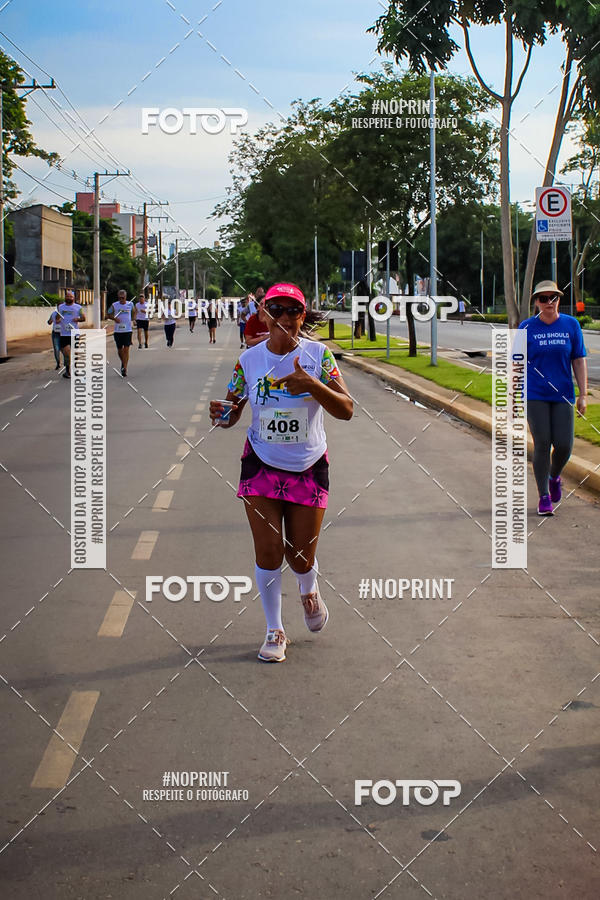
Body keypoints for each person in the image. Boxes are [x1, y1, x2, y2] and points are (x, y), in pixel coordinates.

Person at [209, 282, 353, 663]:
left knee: (300, 557)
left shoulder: (319, 356)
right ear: (262, 314)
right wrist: (224, 414)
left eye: (294, 311)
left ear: (303, 316)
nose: (285, 317)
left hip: (308, 465)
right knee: (269, 551)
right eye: (277, 309)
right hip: (260, 463)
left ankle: (308, 587)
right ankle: (275, 628)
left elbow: (346, 409)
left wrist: (311, 383)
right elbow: (233, 407)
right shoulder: (249, 361)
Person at [518, 279, 588, 516]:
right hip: (535, 394)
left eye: (553, 297)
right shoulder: (526, 328)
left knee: (564, 445)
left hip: (563, 394)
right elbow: (516, 364)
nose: (549, 302)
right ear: (536, 302)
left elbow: (578, 360)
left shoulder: (571, 325)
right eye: (543, 298)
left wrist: (583, 394)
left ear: (559, 299)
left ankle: (554, 476)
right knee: (542, 442)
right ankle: (544, 497)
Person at [57, 289, 85, 379]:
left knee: (75, 352)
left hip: (74, 333)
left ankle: (75, 369)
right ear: (65, 297)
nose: (69, 298)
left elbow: (83, 318)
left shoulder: (78, 307)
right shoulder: (61, 307)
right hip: (64, 334)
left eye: (71, 296)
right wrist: (58, 320)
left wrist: (78, 319)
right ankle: (68, 370)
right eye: (67, 296)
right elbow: (57, 318)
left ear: (74, 298)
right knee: (66, 352)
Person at [107, 289, 136, 377]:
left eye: (123, 298)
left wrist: (133, 319)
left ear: (126, 297)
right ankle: (123, 362)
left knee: (126, 349)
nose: (121, 299)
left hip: (127, 330)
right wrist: (114, 318)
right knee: (120, 350)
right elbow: (108, 314)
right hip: (118, 330)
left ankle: (124, 368)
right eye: (120, 298)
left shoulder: (130, 304)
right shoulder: (114, 305)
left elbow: (134, 312)